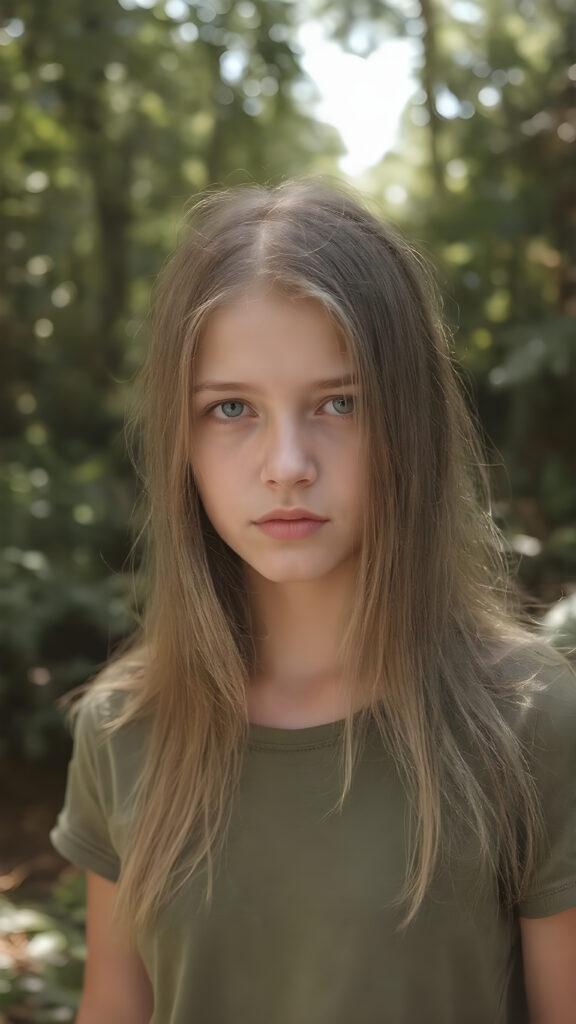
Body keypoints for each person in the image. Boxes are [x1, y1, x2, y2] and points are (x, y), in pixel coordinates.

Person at [50, 179, 576, 1024]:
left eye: (338, 403)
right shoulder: (123, 730)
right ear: (178, 437)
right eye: (231, 409)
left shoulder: (531, 723)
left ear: (408, 422)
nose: (287, 462)